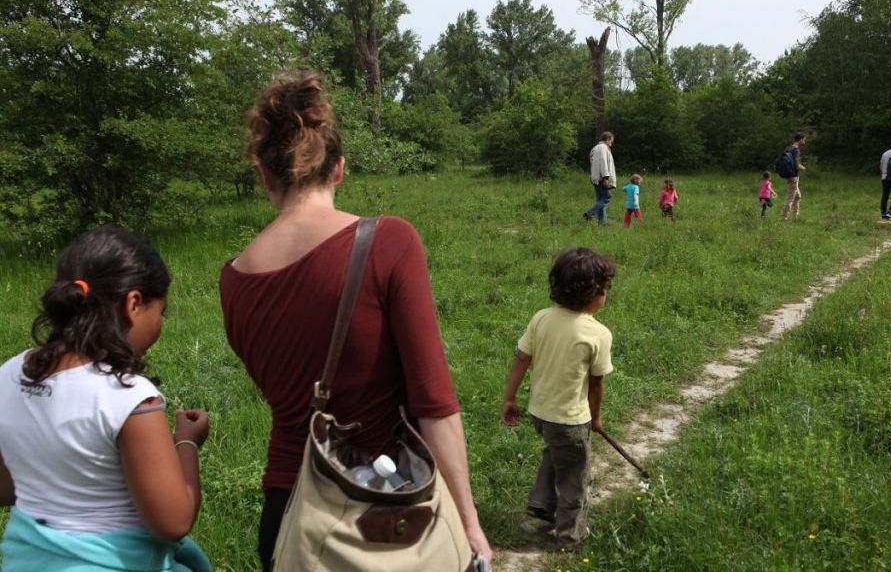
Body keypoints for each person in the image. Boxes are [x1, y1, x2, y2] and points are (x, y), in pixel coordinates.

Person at [218, 71, 491, 571]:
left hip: (291, 519)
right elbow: (433, 404)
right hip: (387, 512)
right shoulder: (389, 242)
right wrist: (469, 523)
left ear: (265, 176)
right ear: (340, 169)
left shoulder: (233, 278)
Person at [0, 227, 211, 572]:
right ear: (133, 304)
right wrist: (186, 444)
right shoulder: (127, 396)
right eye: (161, 312)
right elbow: (173, 523)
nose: (160, 324)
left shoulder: (10, 373)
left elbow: (6, 487)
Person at [501, 248, 616, 552]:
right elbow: (596, 383)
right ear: (595, 293)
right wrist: (596, 417)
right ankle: (569, 536)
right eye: (605, 289)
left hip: (540, 413)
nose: (606, 295)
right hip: (571, 420)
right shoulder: (598, 334)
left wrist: (509, 398)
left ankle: (541, 504)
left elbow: (521, 359)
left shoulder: (541, 318)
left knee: (556, 452)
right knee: (575, 477)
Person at [583, 132, 617, 224]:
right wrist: (605, 178)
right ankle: (590, 213)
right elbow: (603, 163)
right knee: (606, 198)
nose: (612, 143)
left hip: (595, 177)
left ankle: (602, 222)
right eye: (611, 141)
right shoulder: (603, 148)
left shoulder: (594, 148)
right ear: (608, 139)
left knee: (600, 200)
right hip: (602, 178)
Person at [780, 132, 807, 220]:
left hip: (787, 174)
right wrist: (803, 168)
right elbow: (796, 165)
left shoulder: (788, 148)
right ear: (800, 139)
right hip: (793, 176)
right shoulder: (796, 150)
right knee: (790, 197)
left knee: (798, 196)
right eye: (804, 139)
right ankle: (784, 217)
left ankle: (796, 217)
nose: (804, 141)